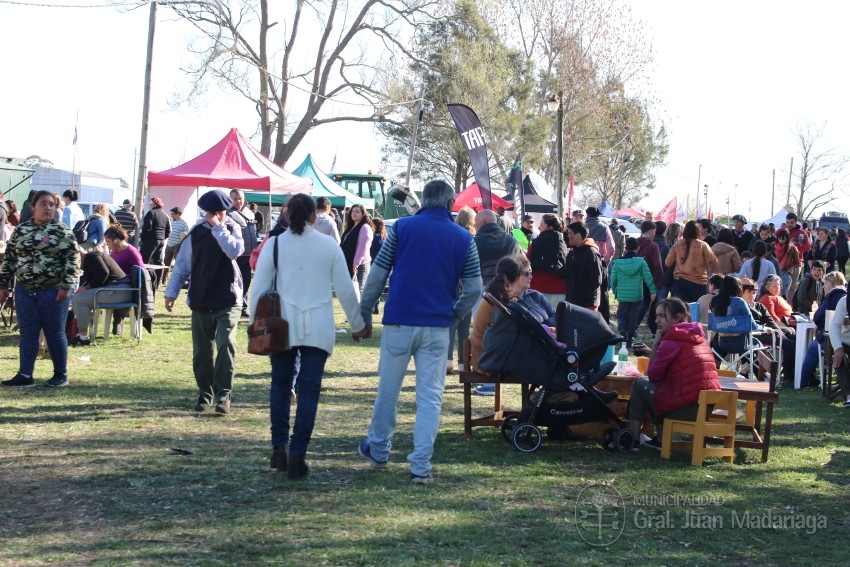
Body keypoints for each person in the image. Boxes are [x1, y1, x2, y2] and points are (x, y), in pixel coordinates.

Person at [356, 179, 482, 485]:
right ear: (452, 203)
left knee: (388, 390)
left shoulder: (401, 228)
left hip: (399, 320)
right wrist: (454, 315)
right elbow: (475, 288)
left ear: (423, 200)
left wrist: (364, 312)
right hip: (438, 327)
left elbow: (378, 274)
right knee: (430, 398)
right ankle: (421, 466)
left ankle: (379, 449)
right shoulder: (465, 238)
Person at [251, 194, 366, 480]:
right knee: (309, 391)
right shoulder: (328, 245)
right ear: (315, 215)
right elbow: (346, 289)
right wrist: (357, 324)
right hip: (317, 325)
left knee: (280, 385)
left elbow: (259, 289)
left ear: (287, 214)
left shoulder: (274, 244)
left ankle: (279, 448)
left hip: (281, 325)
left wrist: (256, 325)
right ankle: (298, 454)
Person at [164, 190, 244, 415]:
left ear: (226, 211)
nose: (214, 215)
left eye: (218, 211)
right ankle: (205, 393)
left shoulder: (232, 228)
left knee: (226, 344)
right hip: (201, 297)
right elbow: (182, 265)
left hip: (228, 298)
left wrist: (219, 228)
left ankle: (223, 395)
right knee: (202, 351)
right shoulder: (196, 232)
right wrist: (171, 292)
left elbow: (234, 251)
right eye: (210, 212)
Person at [0, 190, 80, 388]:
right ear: (33, 207)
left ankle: (60, 374)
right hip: (25, 290)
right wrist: (3, 284)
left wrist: (66, 286)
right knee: (28, 333)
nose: (48, 207)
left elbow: (73, 259)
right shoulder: (21, 230)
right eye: (43, 204)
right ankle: (25, 375)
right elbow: (10, 258)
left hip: (53, 290)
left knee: (54, 332)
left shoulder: (61, 231)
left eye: (52, 204)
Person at [627, 297, 721, 450]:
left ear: (677, 318)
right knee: (657, 390)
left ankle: (634, 441)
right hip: (705, 407)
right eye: (656, 315)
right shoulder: (698, 337)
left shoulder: (671, 340)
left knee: (639, 385)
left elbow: (653, 375)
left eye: (662, 316)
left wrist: (656, 344)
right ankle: (659, 440)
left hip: (687, 408)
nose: (657, 320)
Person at [470, 255, 555, 391]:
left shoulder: (534, 296)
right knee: (555, 368)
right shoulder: (496, 302)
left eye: (532, 273)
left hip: (527, 353)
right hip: (500, 359)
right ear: (517, 276)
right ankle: (542, 403)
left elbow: (555, 316)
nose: (531, 276)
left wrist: (545, 326)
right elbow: (478, 335)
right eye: (527, 273)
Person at [69, 248, 132, 346]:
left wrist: (87, 288)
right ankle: (75, 333)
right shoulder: (89, 260)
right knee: (78, 297)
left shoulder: (92, 256)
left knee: (81, 299)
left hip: (120, 290)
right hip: (117, 290)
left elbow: (103, 273)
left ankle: (82, 337)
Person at [800, 271, 846, 388]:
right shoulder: (842, 295)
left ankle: (802, 381)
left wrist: (818, 325)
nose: (823, 287)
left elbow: (819, 316)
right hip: (840, 336)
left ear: (832, 283)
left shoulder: (834, 296)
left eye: (825, 284)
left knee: (813, 346)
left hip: (834, 339)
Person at [610, 237, 656, 350]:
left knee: (621, 315)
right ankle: (629, 339)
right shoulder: (641, 262)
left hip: (622, 295)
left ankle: (621, 331)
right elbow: (648, 278)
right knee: (633, 317)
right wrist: (653, 291)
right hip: (636, 295)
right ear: (638, 248)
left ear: (625, 248)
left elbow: (613, 281)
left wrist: (616, 291)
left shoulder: (617, 263)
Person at [448, 208, 476, 374]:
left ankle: (447, 360)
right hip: (468, 286)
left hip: (452, 285)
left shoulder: (451, 237)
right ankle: (463, 363)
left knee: (450, 326)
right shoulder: (473, 239)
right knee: (465, 328)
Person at [104, 224, 146, 336]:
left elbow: (140, 272)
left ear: (116, 240)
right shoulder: (113, 252)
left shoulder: (131, 252)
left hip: (128, 286)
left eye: (108, 241)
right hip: (114, 284)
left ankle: (118, 318)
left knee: (122, 292)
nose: (107, 245)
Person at [665, 220, 718, 303]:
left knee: (681, 311)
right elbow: (714, 263)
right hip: (698, 283)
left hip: (680, 282)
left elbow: (667, 263)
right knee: (696, 311)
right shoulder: (703, 245)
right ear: (698, 231)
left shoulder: (678, 244)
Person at [710, 275, 761, 358]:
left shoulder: (715, 300)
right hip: (740, 345)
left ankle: (745, 367)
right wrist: (764, 328)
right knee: (759, 345)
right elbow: (752, 325)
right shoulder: (739, 301)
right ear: (737, 287)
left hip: (722, 344)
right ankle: (750, 369)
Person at [526, 213, 568, 308]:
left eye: (541, 225)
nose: (539, 227)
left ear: (550, 227)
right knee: (556, 322)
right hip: (560, 291)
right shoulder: (564, 244)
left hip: (539, 289)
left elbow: (526, 263)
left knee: (538, 322)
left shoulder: (536, 243)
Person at [227, 189, 258, 317]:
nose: (239, 201)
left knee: (246, 281)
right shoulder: (228, 214)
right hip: (236, 255)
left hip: (249, 254)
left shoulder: (249, 212)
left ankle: (243, 307)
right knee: (235, 282)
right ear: (230, 199)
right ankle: (233, 306)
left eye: (240, 198)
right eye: (236, 199)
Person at [474, 209, 521, 290]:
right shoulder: (512, 241)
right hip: (507, 290)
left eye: (475, 223)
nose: (474, 226)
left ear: (483, 223)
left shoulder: (473, 243)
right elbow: (522, 265)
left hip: (481, 292)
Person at [565, 221, 604, 310]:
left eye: (570, 233)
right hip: (574, 301)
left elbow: (596, 280)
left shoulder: (591, 252)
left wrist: (580, 296)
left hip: (588, 303)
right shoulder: (573, 252)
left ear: (578, 235)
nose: (568, 236)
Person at [585, 207, 615, 322]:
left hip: (584, 262)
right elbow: (611, 248)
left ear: (587, 215)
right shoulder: (604, 227)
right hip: (600, 261)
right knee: (603, 292)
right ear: (598, 215)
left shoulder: (582, 227)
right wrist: (605, 262)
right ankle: (604, 320)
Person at [340, 204, 374, 301]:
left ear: (363, 214)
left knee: (359, 289)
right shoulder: (350, 228)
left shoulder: (365, 228)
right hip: (349, 262)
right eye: (353, 211)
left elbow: (362, 248)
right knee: (351, 290)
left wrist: (356, 264)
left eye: (357, 211)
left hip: (360, 265)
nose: (354, 213)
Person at [636, 220, 664, 341]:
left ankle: (631, 327)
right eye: (654, 231)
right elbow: (658, 265)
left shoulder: (634, 243)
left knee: (638, 305)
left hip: (635, 278)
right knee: (652, 305)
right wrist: (659, 281)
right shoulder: (653, 246)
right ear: (651, 231)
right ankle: (653, 331)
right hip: (650, 279)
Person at [140, 196, 172, 282]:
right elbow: (168, 230)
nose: (150, 204)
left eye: (151, 203)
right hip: (161, 240)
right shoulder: (165, 215)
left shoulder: (151, 213)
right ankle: (157, 281)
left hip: (151, 240)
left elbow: (146, 228)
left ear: (155, 204)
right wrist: (162, 238)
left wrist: (143, 239)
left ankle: (143, 280)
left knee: (143, 260)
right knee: (158, 261)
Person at [828, 294, 850, 408]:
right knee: (837, 358)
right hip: (847, 342)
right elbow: (835, 326)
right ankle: (849, 395)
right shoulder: (845, 301)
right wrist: (838, 348)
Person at [162, 207, 190, 285]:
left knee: (178, 264)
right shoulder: (171, 222)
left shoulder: (184, 224)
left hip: (177, 245)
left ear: (178, 214)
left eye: (173, 214)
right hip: (169, 244)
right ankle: (163, 280)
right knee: (166, 263)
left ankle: (179, 281)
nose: (172, 215)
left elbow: (187, 235)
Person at [774, 228, 802, 299]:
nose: (781, 241)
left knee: (783, 295)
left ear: (787, 239)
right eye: (779, 238)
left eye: (783, 239)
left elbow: (797, 263)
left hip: (785, 272)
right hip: (774, 271)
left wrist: (791, 270)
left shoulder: (792, 248)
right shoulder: (773, 246)